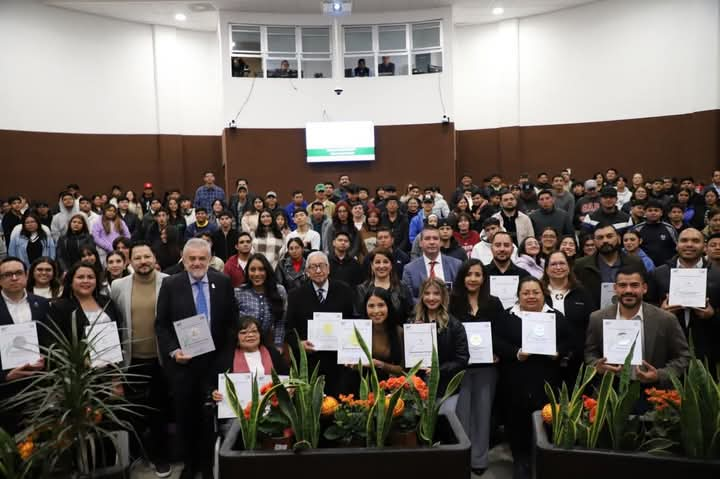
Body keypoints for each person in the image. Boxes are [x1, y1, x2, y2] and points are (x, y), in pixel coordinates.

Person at [155, 238, 238, 479]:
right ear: (184, 258)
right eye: (192, 258)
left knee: (210, 420)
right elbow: (161, 325)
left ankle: (208, 467)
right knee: (186, 418)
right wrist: (173, 352)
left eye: (202, 258)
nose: (197, 263)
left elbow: (232, 324)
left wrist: (224, 361)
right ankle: (189, 467)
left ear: (210, 259)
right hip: (184, 365)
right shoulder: (171, 284)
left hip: (215, 364)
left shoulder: (222, 282)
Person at [494, 277, 570, 479]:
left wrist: (558, 352)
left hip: (546, 380)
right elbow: (496, 342)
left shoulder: (556, 316)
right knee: (516, 423)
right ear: (518, 295)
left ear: (543, 293)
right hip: (514, 380)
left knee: (546, 420)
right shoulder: (506, 316)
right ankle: (521, 461)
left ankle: (543, 460)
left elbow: (569, 341)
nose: (531, 296)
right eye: (525, 292)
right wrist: (517, 352)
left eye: (535, 292)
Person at [109, 242, 171, 477]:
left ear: (154, 258)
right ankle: (135, 455)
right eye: (137, 257)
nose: (143, 261)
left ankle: (160, 457)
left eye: (147, 256)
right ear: (130, 261)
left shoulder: (169, 281)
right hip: (131, 360)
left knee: (159, 410)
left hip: (161, 359)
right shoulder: (118, 286)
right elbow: (115, 322)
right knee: (133, 411)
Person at [585, 265, 691, 389]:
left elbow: (683, 357)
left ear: (644, 288)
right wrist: (598, 366)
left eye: (634, 285)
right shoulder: (597, 318)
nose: (628, 290)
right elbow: (590, 353)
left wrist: (659, 375)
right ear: (615, 288)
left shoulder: (665, 319)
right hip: (611, 390)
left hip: (652, 391)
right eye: (622, 285)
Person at [448, 260, 503, 475]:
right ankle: (462, 457)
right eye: (469, 274)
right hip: (459, 367)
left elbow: (500, 333)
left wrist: (497, 352)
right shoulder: (452, 302)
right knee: (461, 413)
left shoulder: (493, 303)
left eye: (477, 275)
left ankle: (479, 460)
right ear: (462, 277)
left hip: (487, 367)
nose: (473, 278)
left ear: (483, 278)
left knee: (483, 412)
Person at [646, 228, 720, 368]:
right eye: (684, 240)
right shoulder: (659, 273)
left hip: (708, 349)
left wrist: (712, 314)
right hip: (668, 349)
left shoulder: (718, 275)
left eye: (695, 241)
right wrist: (660, 312)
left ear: (704, 247)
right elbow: (647, 306)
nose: (689, 244)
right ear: (677, 245)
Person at [284, 251, 355, 396]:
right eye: (313, 267)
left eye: (321, 266)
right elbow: (289, 330)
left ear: (328, 268)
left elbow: (352, 323)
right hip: (309, 364)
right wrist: (300, 344)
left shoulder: (345, 290)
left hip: (338, 364)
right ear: (307, 271)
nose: (318, 270)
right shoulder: (295, 295)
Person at [0, 257, 49, 434]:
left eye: (18, 273)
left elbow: (50, 341)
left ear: (27, 276)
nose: (14, 278)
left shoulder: (42, 304)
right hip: (6, 390)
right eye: (7, 274)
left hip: (40, 385)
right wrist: (5, 376)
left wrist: (46, 361)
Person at [542, 251, 594, 387]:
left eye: (562, 263)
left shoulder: (582, 293)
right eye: (553, 264)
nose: (558, 267)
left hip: (577, 360)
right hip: (545, 359)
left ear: (569, 267)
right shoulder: (538, 293)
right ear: (546, 269)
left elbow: (591, 325)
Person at [412, 277, 469, 397]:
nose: (431, 298)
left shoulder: (455, 325)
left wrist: (438, 369)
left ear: (443, 296)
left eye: (436, 293)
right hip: (417, 387)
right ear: (421, 296)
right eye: (427, 293)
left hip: (445, 388)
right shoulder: (412, 322)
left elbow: (462, 359)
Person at [574, 224, 646, 309]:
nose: (605, 241)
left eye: (609, 236)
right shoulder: (581, 265)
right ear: (594, 241)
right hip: (593, 316)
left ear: (619, 238)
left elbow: (644, 293)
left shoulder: (635, 263)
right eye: (600, 238)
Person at [234, 253, 288, 351]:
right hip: (244, 347)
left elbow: (280, 322)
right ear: (247, 272)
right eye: (252, 270)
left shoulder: (279, 291)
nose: (257, 274)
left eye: (261, 269)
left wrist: (278, 345)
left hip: (269, 345)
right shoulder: (238, 293)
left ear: (267, 271)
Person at [402, 226, 462, 303]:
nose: (432, 242)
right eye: (427, 238)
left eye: (435, 238)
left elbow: (461, 294)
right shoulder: (409, 269)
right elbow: (409, 299)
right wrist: (429, 306)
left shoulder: (456, 265)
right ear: (420, 243)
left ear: (440, 242)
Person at [355, 248, 414, 321]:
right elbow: (360, 318)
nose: (381, 266)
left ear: (391, 265)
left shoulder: (402, 287)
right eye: (377, 262)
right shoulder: (362, 289)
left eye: (385, 262)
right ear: (372, 265)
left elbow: (410, 314)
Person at [633, 200, 678, 267]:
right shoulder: (637, 229)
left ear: (661, 213)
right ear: (645, 213)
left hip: (666, 267)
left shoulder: (669, 228)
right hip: (643, 266)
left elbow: (677, 247)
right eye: (650, 210)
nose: (653, 213)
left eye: (656, 210)